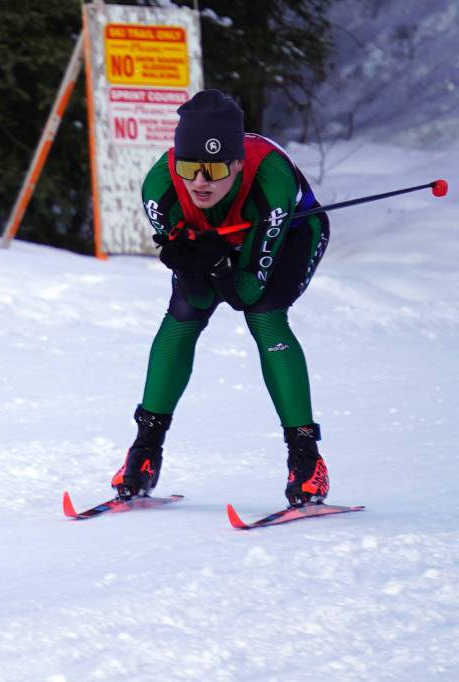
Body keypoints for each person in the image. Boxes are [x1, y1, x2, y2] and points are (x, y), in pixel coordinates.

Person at [111, 89, 331, 507]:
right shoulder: (160, 188)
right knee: (184, 312)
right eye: (190, 167)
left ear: (236, 163)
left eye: (213, 169)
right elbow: (197, 291)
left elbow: (246, 293)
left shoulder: (272, 180)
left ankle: (306, 459)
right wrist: (198, 263)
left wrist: (222, 267)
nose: (199, 182)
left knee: (265, 315)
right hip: (217, 239)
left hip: (290, 232)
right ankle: (144, 451)